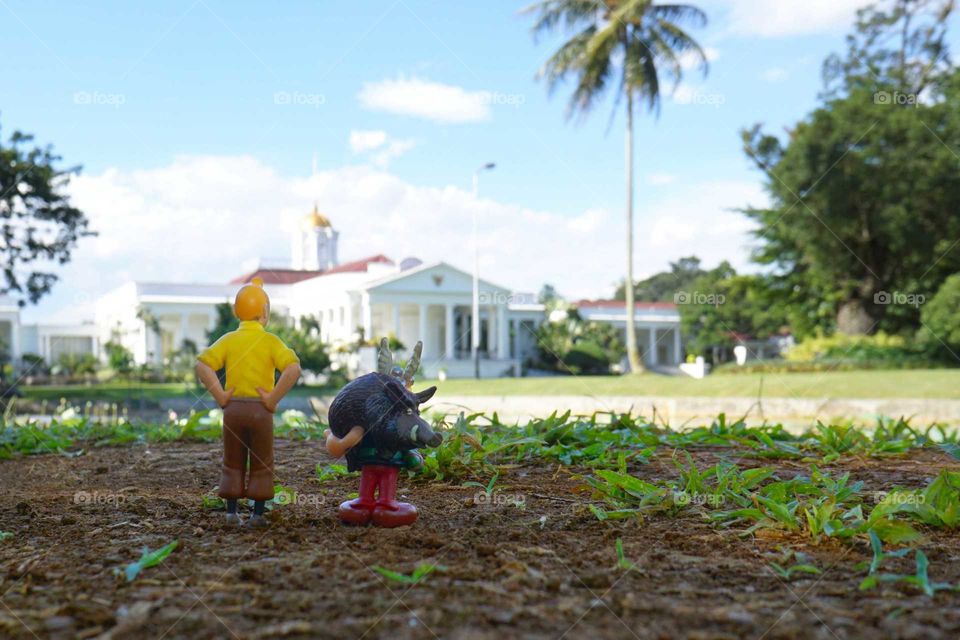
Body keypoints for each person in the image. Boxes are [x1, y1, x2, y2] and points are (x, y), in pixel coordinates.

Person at [195, 277, 301, 528]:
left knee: (232, 460)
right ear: (265, 313)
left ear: (235, 312)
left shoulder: (229, 340)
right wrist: (273, 398)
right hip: (260, 411)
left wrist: (221, 396)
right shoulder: (271, 341)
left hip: (233, 411)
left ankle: (231, 513)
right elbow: (293, 369)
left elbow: (202, 365)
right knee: (262, 462)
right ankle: (257, 515)